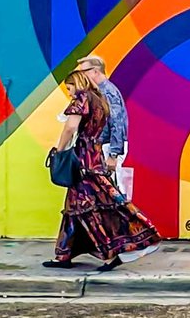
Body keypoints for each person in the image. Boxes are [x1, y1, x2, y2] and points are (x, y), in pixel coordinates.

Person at [43, 65, 161, 272]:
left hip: (83, 160)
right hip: (94, 154)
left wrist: (58, 150)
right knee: (75, 207)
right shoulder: (99, 100)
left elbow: (71, 127)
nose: (69, 93)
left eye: (69, 88)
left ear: (77, 84)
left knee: (92, 208)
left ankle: (113, 253)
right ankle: (64, 254)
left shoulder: (81, 99)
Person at [73, 55, 131, 199]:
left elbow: (117, 123)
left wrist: (113, 154)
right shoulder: (99, 92)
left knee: (112, 192)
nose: (82, 77)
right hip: (103, 147)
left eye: (84, 72)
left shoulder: (108, 93)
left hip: (107, 147)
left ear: (96, 72)